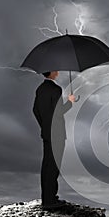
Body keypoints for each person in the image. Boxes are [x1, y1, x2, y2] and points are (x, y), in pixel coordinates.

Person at [33, 71, 76, 209]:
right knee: (54, 166)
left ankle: (47, 198)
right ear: (51, 73)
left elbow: (35, 110)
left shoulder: (40, 89)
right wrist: (70, 102)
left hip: (46, 133)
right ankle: (50, 201)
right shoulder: (56, 89)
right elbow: (59, 111)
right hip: (57, 134)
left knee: (46, 165)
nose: (57, 72)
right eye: (56, 70)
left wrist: (44, 126)